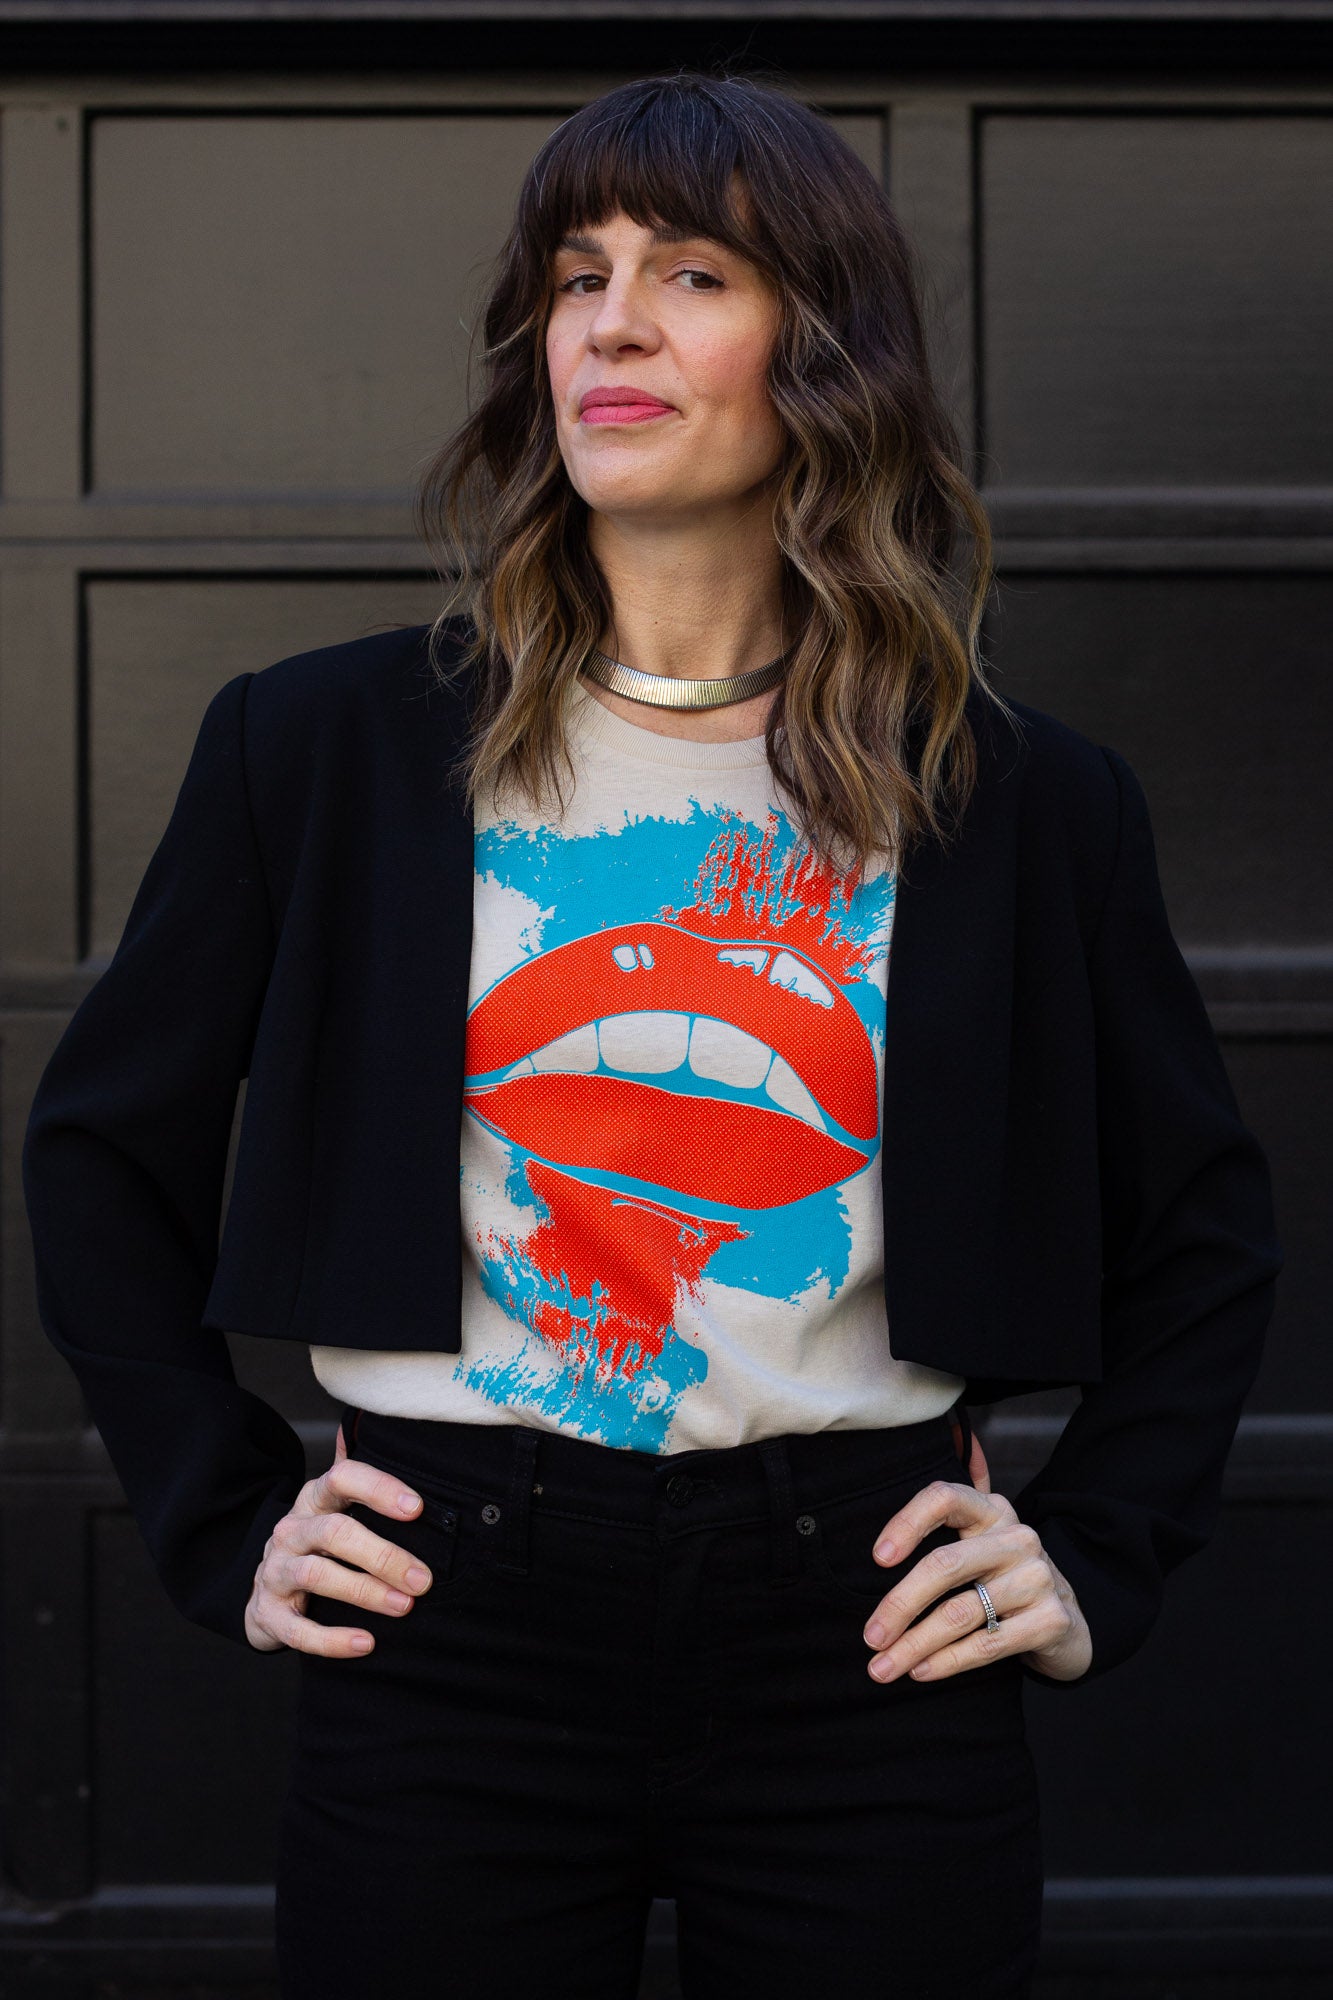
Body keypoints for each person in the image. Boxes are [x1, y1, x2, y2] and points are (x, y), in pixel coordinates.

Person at [22, 71, 1281, 2000]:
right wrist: (225, 1516)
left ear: (829, 353)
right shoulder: (325, 747)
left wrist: (1093, 1553)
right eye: (575, 276)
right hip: (446, 1618)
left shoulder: (1019, 799)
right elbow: (103, 1155)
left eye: (691, 275)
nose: (608, 326)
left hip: (866, 1629)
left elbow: (1203, 1224)